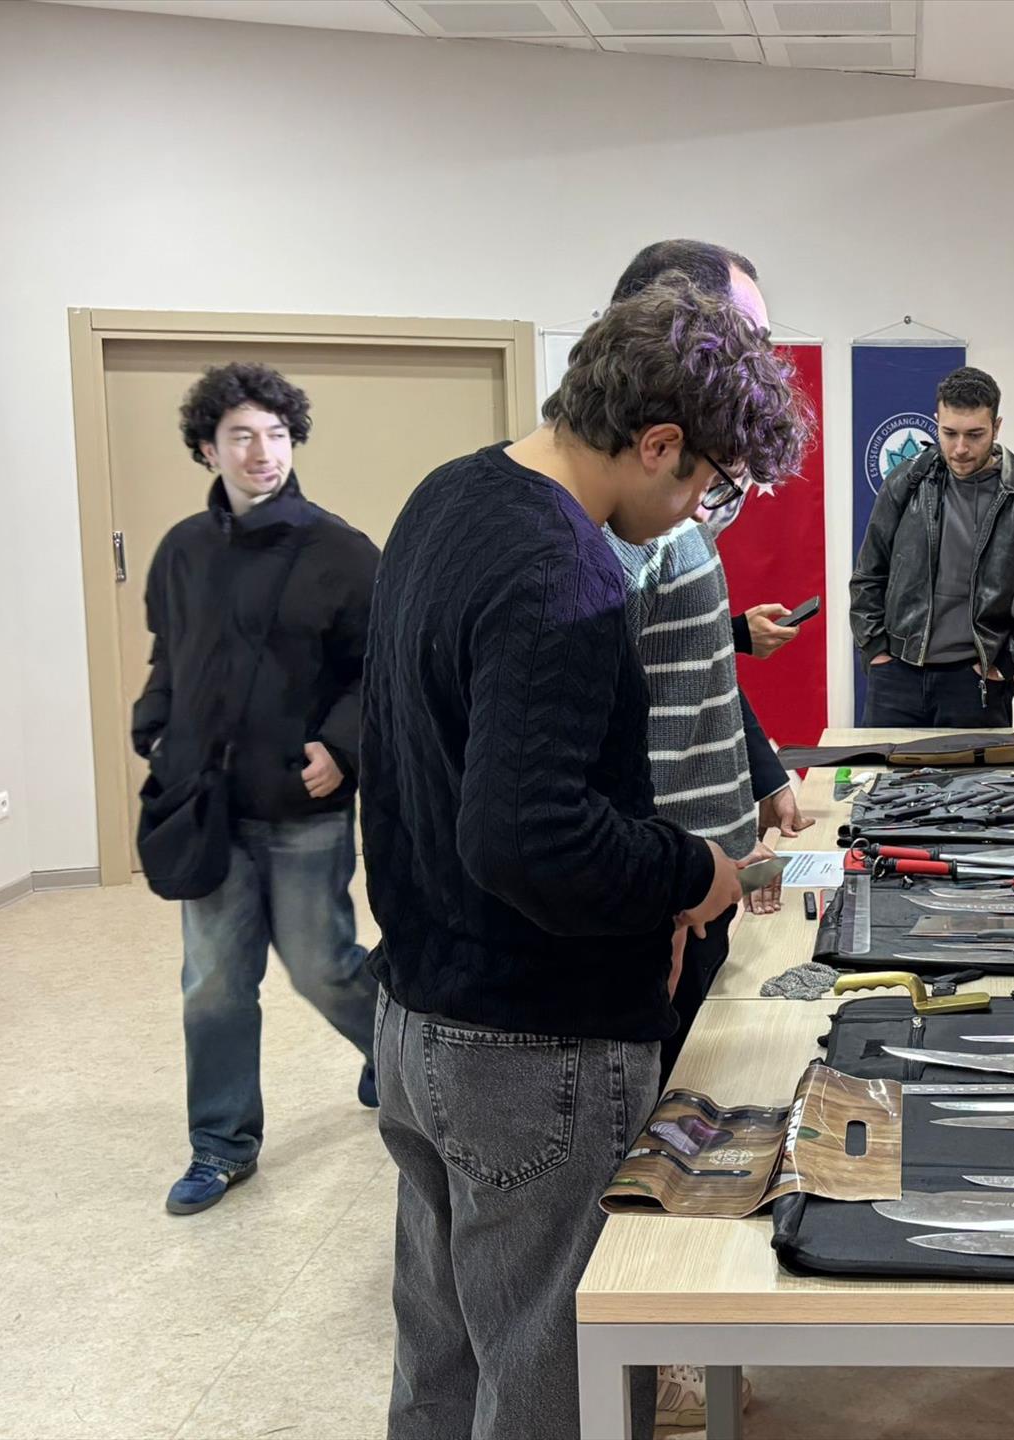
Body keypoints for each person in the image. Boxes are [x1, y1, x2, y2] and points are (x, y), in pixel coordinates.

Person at [359, 277, 806, 1440]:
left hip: (418, 1019)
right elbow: (529, 837)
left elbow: (429, 771)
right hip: (530, 1054)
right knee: (552, 1388)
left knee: (441, 1368)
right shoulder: (567, 570)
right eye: (704, 482)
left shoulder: (448, 495)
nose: (699, 508)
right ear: (657, 443)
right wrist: (687, 873)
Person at [133, 362, 381, 1218]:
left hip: (303, 805)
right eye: (240, 435)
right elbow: (169, 657)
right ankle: (220, 1144)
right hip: (206, 806)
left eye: (276, 434)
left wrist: (342, 749)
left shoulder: (341, 551)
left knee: (324, 967)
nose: (261, 451)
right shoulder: (181, 552)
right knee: (213, 981)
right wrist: (153, 727)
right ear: (208, 448)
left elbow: (378, 669)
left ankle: (392, 1053)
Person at [600, 240, 814, 1087]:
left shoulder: (670, 507)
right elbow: (594, 748)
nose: (762, 362)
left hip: (695, 884)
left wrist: (758, 776)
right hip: (665, 897)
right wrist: (663, 889)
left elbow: (693, 663)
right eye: (748, 338)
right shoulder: (623, 524)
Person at [850, 365, 1014, 728]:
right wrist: (875, 651)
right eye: (949, 433)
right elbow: (869, 575)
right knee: (881, 769)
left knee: (976, 772)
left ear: (997, 427)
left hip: (977, 685)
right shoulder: (906, 482)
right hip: (896, 678)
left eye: (975, 435)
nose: (960, 448)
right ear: (937, 422)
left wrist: (1007, 663)